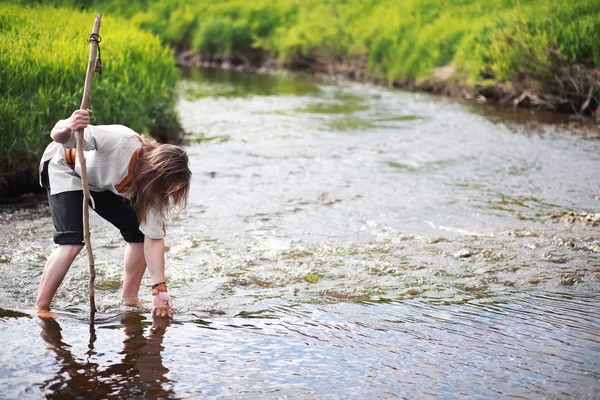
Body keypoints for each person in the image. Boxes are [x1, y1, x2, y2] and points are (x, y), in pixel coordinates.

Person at [36, 109, 191, 317]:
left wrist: (159, 290)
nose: (162, 196)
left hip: (99, 184)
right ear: (154, 172)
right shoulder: (120, 140)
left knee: (138, 235)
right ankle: (41, 307)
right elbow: (59, 136)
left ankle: (128, 301)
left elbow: (153, 239)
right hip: (63, 167)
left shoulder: (154, 191)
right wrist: (68, 124)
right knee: (72, 242)